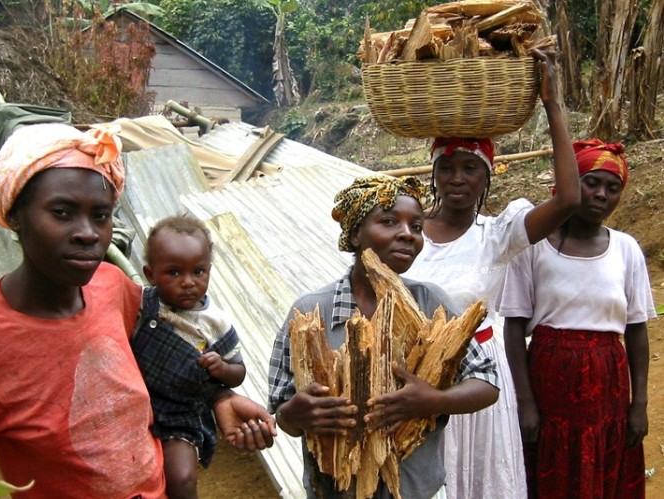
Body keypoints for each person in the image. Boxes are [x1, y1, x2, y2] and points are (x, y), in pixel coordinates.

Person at [0, 123, 275, 498]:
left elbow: (170, 354)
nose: (88, 233)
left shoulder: (112, 286)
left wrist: (220, 398)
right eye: (62, 212)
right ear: (16, 214)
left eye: (100, 215)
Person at [400, 48, 581, 499]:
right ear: (434, 174)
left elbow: (568, 201)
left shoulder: (498, 234)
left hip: (478, 381)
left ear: (487, 179)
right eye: (447, 168)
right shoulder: (408, 235)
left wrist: (552, 104)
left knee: (481, 483)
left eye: (469, 169)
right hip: (417, 378)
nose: (457, 178)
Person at [268, 175, 500, 498]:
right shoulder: (310, 313)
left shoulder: (432, 304)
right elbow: (282, 409)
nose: (406, 234)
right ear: (354, 234)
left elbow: (487, 382)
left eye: (416, 226)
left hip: (416, 490)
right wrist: (294, 415)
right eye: (389, 222)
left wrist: (433, 401)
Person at [497, 139, 653, 498]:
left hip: (608, 381)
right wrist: (526, 403)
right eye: (591, 182)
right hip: (550, 380)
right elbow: (514, 326)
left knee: (604, 460)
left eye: (612, 188)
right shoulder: (534, 246)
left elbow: (637, 330)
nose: (601, 194)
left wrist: (639, 404)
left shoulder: (626, 249)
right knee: (553, 464)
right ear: (569, 184)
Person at [132, 214, 246, 499]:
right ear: (150, 274)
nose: (188, 282)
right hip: (136, 406)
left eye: (198, 272)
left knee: (180, 477)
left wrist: (221, 369)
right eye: (173, 273)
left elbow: (239, 371)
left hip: (181, 415)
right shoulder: (140, 304)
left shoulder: (215, 323)